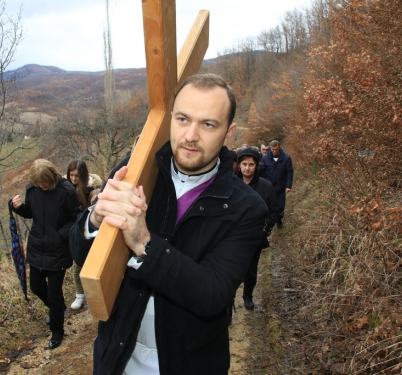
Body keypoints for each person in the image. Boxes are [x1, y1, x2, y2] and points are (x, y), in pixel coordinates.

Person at [72, 73, 268, 375]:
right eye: (182, 119)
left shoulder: (246, 208)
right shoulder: (136, 172)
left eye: (208, 124)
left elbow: (213, 295)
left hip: (187, 361)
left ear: (229, 134)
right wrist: (95, 219)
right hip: (118, 354)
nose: (190, 135)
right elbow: (82, 254)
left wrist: (145, 246)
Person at [11, 159, 80, 349]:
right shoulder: (33, 190)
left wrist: (59, 236)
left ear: (52, 178)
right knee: (36, 287)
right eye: (38, 183)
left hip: (58, 250)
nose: (42, 186)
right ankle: (56, 309)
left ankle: (57, 331)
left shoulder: (67, 192)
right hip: (37, 247)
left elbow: (77, 218)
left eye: (45, 183)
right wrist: (18, 208)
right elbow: (31, 213)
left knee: (54, 293)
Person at [235, 147, 279, 310]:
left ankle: (248, 296)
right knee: (229, 268)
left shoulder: (265, 186)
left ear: (256, 166)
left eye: (251, 164)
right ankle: (227, 303)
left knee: (251, 269)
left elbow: (274, 210)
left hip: (255, 237)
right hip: (233, 236)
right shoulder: (230, 184)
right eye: (244, 164)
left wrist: (265, 229)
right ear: (239, 165)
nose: (247, 168)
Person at [66, 160, 103, 310]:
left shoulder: (92, 188)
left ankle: (96, 292)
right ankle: (80, 294)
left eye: (77, 176)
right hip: (75, 229)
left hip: (89, 228)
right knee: (77, 265)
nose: (74, 179)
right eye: (71, 175)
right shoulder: (67, 188)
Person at [261, 140, 294, 229]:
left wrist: (288, 185)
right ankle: (270, 223)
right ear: (270, 148)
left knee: (281, 206)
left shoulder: (286, 158)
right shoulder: (265, 158)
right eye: (273, 149)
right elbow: (262, 172)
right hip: (269, 187)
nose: (274, 151)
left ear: (279, 148)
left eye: (276, 149)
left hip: (281, 186)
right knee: (270, 206)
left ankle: (279, 219)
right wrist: (265, 183)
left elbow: (289, 172)